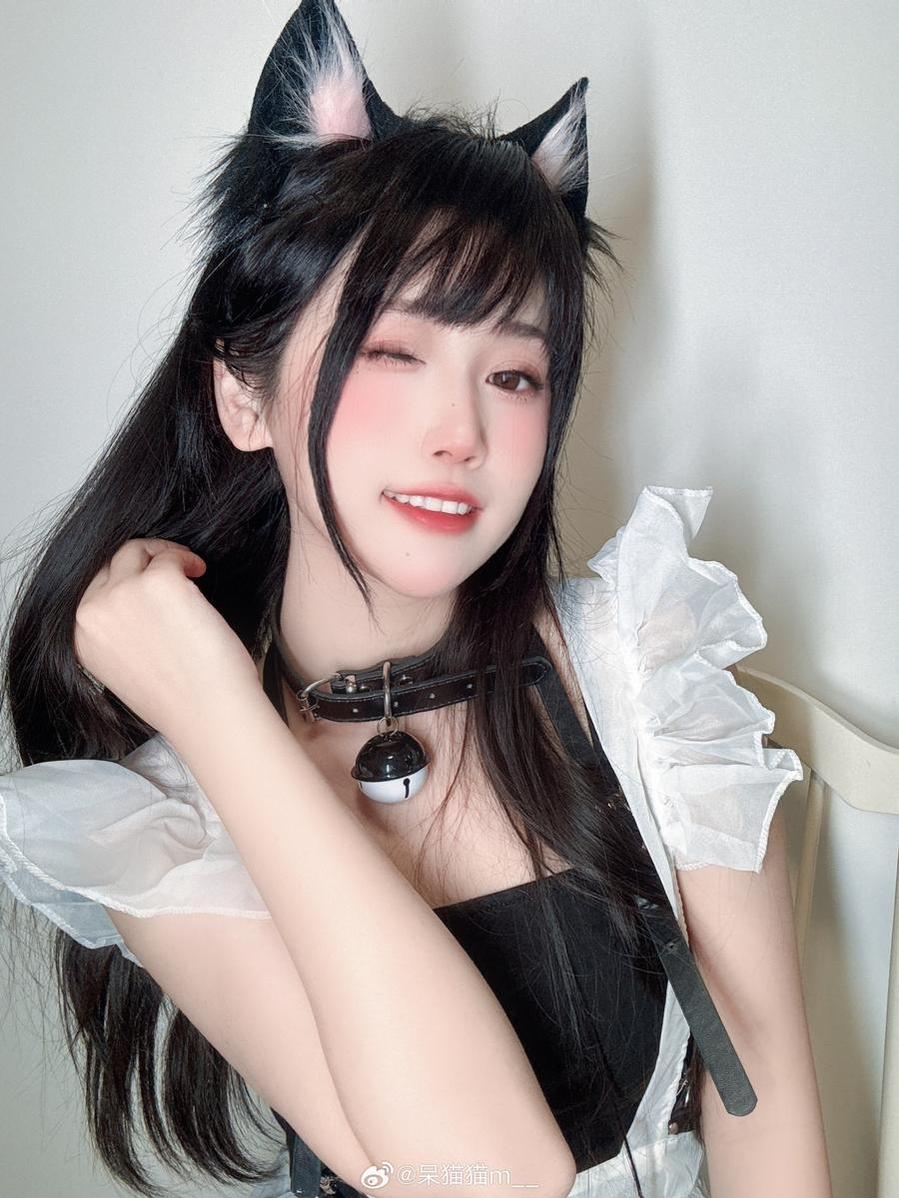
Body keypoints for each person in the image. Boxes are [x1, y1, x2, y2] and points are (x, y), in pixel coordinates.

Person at [0, 3, 832, 1197]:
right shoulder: (167, 812)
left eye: (513, 373)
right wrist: (219, 713)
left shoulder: (648, 670)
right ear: (243, 397)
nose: (460, 433)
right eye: (392, 352)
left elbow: (770, 1121)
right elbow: (482, 1175)